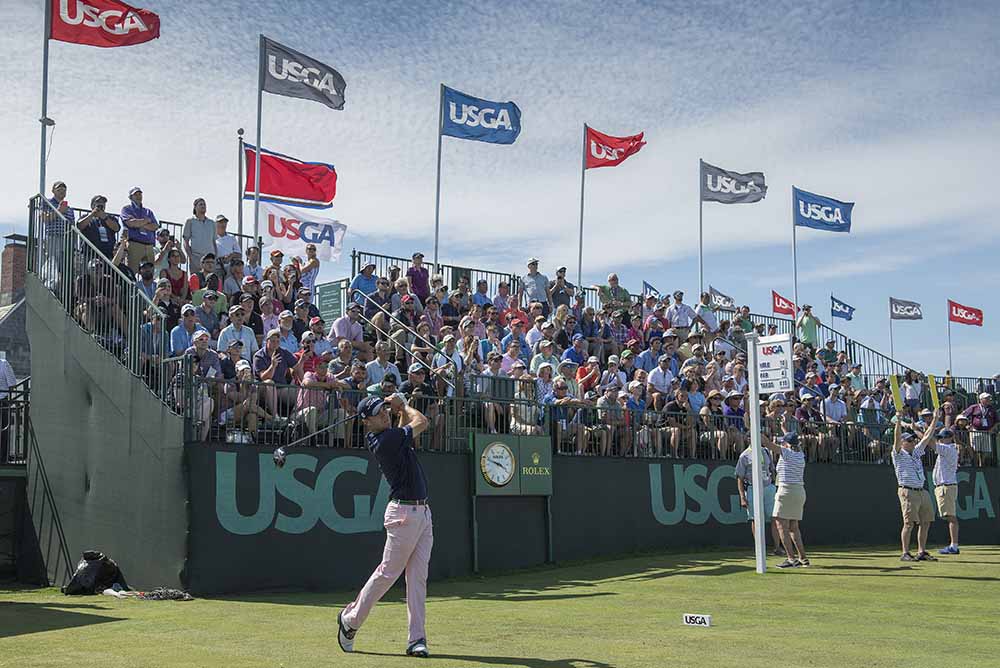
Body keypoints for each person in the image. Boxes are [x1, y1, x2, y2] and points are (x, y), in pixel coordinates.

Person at [338, 394, 432, 658]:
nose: (385, 415)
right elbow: (422, 421)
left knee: (417, 579)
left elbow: (408, 430)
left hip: (423, 513)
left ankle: (417, 639)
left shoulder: (391, 434)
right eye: (379, 413)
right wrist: (403, 404)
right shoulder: (385, 440)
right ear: (367, 422)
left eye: (385, 410)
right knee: (387, 573)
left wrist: (399, 409)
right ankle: (350, 621)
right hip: (403, 514)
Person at [891, 411, 939, 562]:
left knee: (926, 521)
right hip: (907, 490)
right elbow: (896, 439)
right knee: (908, 523)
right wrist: (898, 422)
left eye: (912, 440)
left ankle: (921, 551)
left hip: (921, 490)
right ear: (904, 443)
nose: (912, 442)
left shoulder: (917, 452)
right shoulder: (898, 453)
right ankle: (905, 552)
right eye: (909, 440)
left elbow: (927, 437)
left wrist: (936, 419)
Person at [764, 431, 810, 568]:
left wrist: (754, 428)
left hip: (786, 491)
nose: (781, 443)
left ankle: (791, 559)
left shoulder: (786, 452)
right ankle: (803, 558)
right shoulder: (800, 454)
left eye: (783, 442)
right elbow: (792, 441)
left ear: (787, 444)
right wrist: (784, 427)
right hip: (799, 491)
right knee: (793, 526)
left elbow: (767, 444)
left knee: (780, 524)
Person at [735, 439, 784, 556]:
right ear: (749, 439)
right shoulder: (744, 456)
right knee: (755, 519)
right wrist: (742, 497)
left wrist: (774, 485)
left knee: (775, 517)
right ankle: (760, 549)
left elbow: (772, 470)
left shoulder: (766, 451)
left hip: (768, 488)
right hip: (753, 489)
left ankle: (777, 548)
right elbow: (739, 478)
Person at [930, 427, 961, 555]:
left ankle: (954, 546)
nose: (940, 440)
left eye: (942, 438)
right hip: (945, 486)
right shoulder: (948, 449)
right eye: (939, 438)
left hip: (946, 487)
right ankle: (953, 545)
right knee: (950, 517)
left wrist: (918, 430)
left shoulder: (948, 449)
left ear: (949, 438)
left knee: (951, 517)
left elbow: (929, 442)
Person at [119, 186, 159, 272]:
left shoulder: (148, 211)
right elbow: (130, 223)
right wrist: (146, 221)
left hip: (149, 245)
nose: (138, 196)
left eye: (140, 194)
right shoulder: (126, 209)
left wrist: (139, 224)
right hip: (134, 244)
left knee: (150, 273)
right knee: (132, 272)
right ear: (130, 197)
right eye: (135, 194)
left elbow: (155, 226)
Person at [76, 194, 120, 259]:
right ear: (92, 205)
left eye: (103, 203)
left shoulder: (110, 218)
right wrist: (92, 214)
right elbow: (80, 226)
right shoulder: (85, 217)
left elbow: (116, 228)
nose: (101, 204)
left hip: (108, 254)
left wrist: (105, 218)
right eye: (98, 202)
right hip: (90, 254)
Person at [182, 198, 216, 270]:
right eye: (200, 204)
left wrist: (215, 256)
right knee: (196, 280)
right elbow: (185, 242)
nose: (203, 206)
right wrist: (191, 257)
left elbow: (214, 242)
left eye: (204, 204)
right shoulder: (190, 221)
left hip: (210, 259)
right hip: (196, 258)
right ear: (195, 207)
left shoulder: (212, 223)